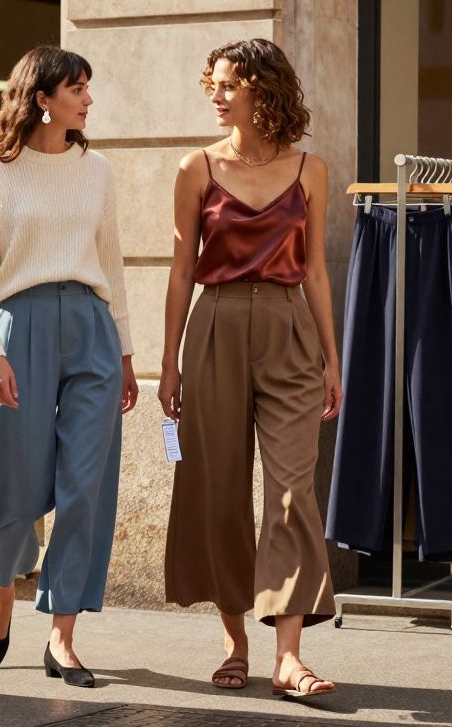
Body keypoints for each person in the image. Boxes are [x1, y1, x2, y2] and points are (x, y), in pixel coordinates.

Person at [159, 38, 340, 698]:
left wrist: (332, 357)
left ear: (264, 91)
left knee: (293, 488)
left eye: (229, 84)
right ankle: (235, 642)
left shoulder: (310, 170)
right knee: (218, 487)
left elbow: (316, 269)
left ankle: (288, 656)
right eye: (214, 83)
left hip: (291, 328)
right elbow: (181, 272)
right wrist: (168, 363)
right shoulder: (196, 168)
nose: (217, 94)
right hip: (214, 326)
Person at [0, 45, 138, 689]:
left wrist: (124, 352)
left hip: (89, 326)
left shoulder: (98, 171)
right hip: (20, 326)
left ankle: (63, 635)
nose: (88, 100)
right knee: (14, 472)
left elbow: (112, 265)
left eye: (88, 88)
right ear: (42, 97)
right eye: (78, 89)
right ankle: (3, 589)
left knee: (85, 483)